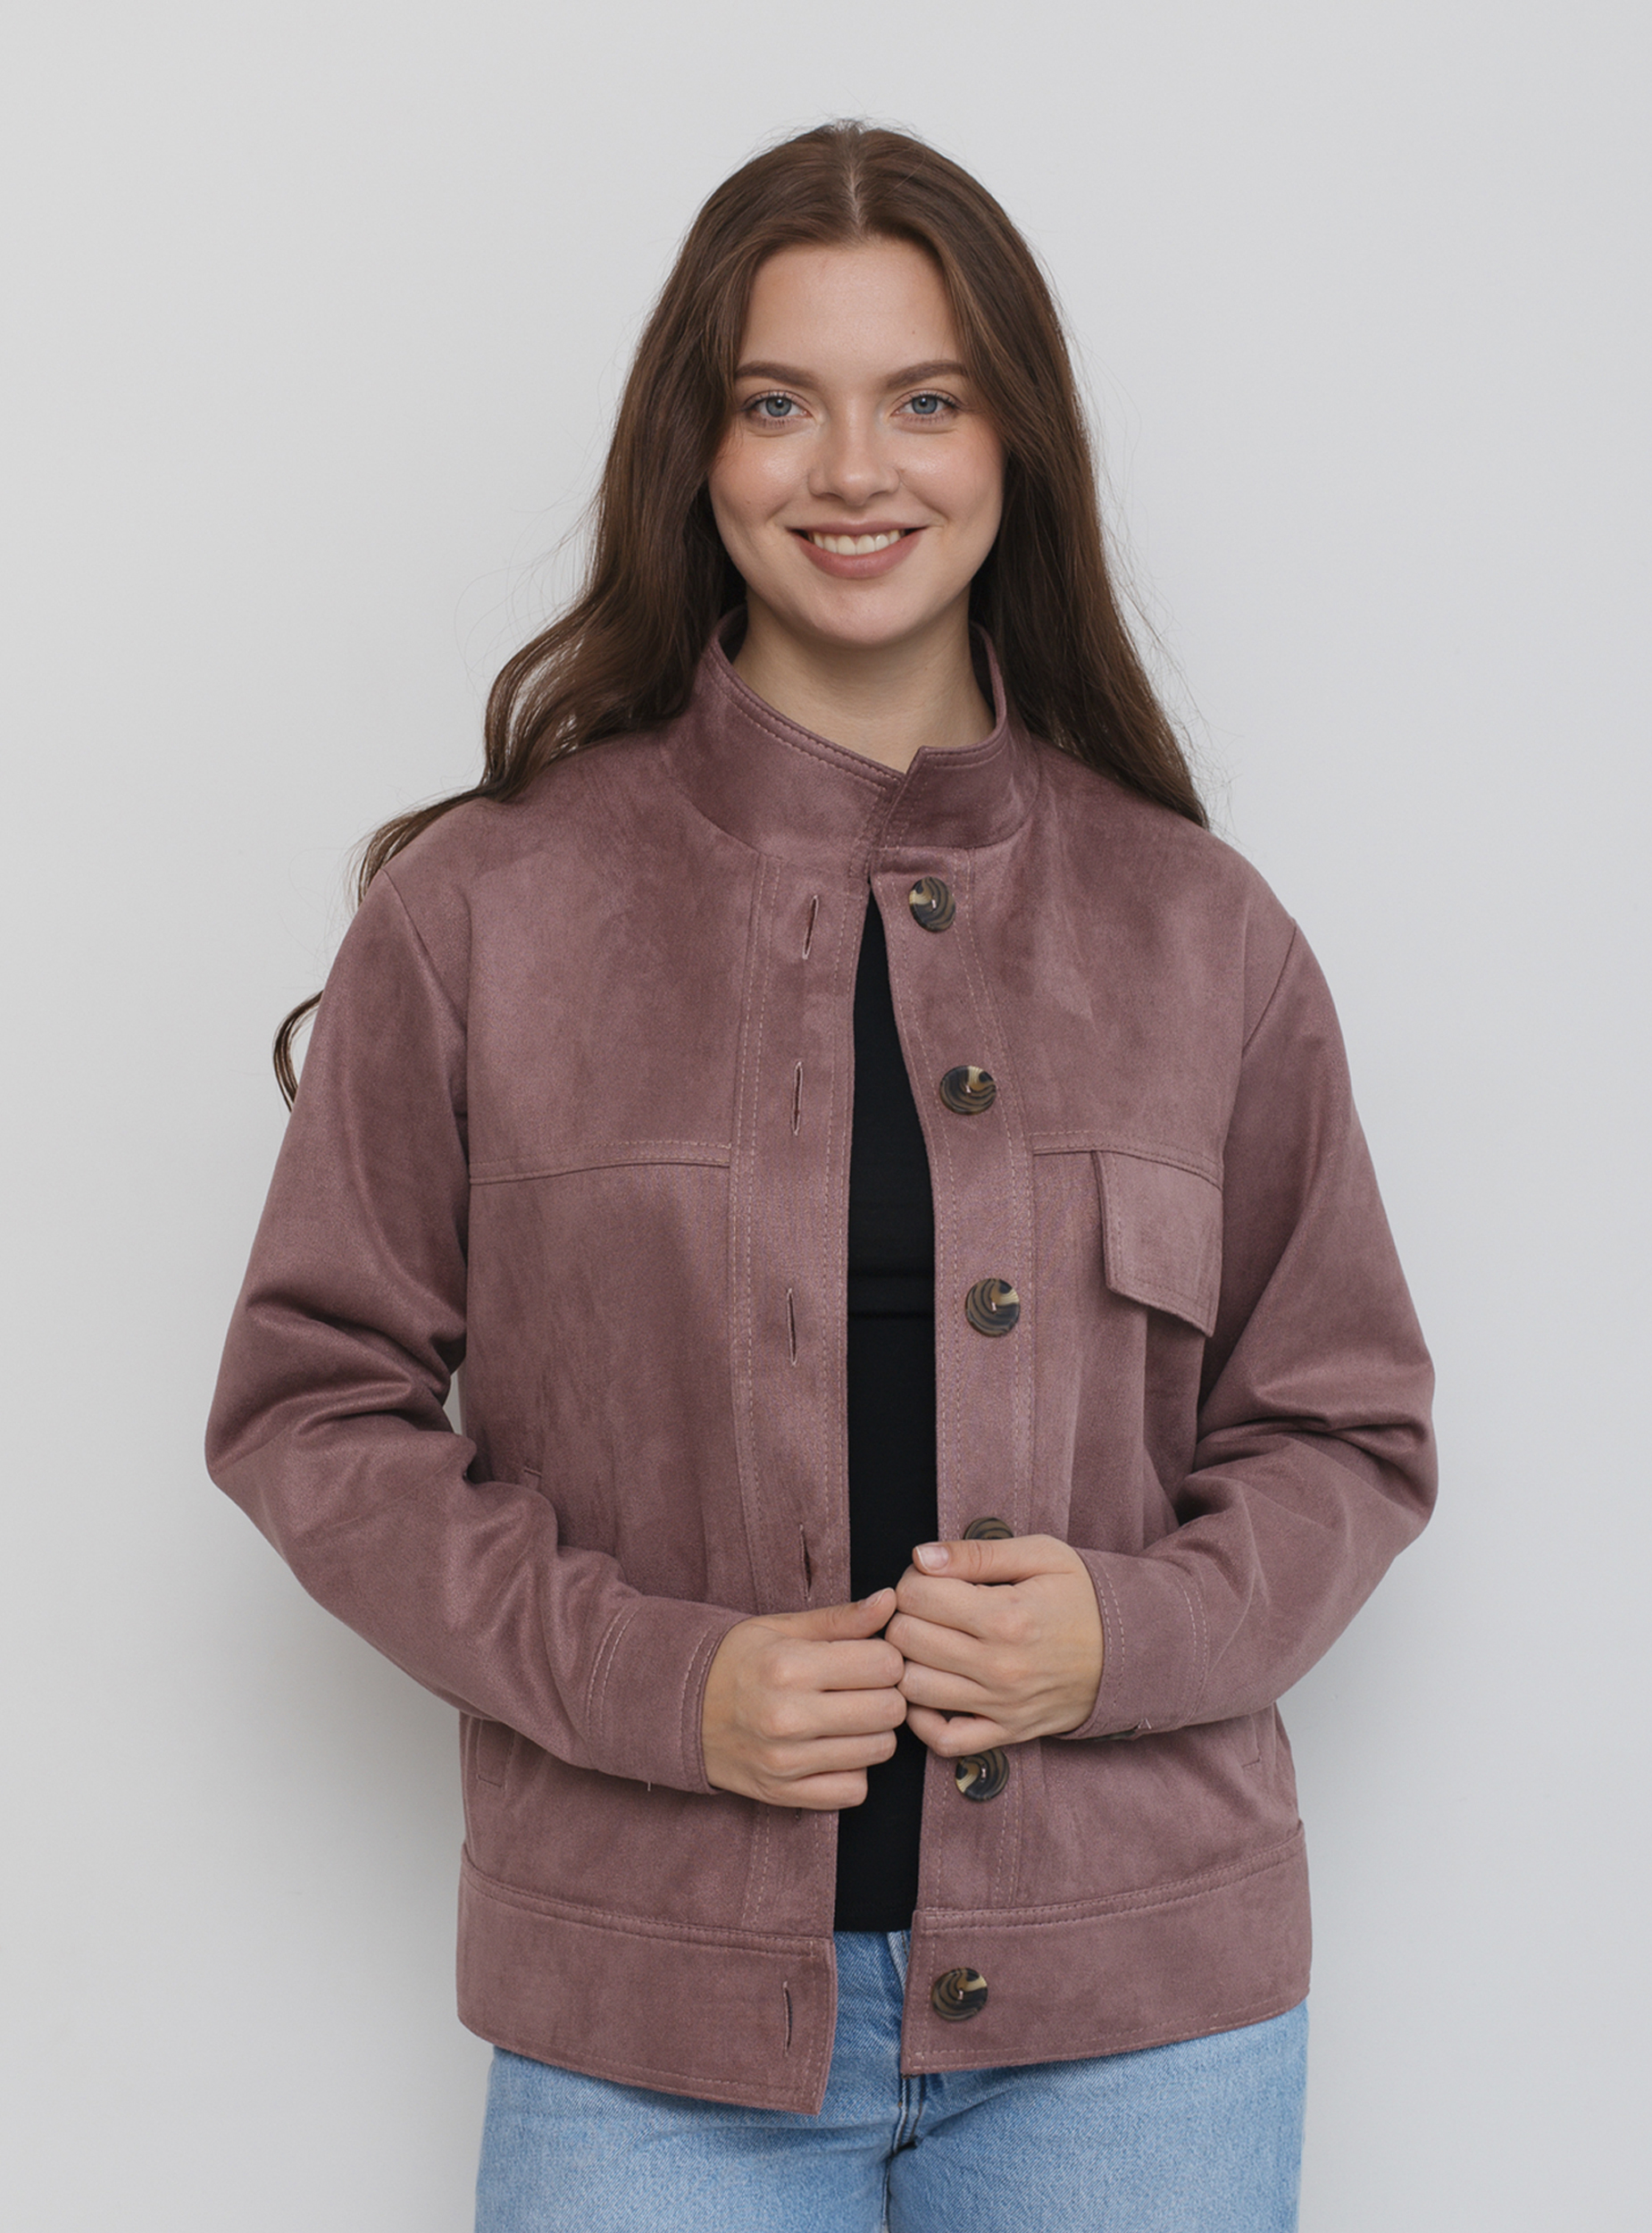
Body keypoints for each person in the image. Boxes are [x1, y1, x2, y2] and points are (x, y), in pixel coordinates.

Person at [206, 121, 1436, 2232]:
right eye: (780, 401)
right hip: (645, 2025)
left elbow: (1347, 1428)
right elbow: (308, 1412)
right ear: (694, 448)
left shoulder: (1199, 930)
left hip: (1141, 2016)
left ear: (1013, 440)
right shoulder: (486, 911)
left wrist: (1120, 1634)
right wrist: (658, 1679)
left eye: (924, 399)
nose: (852, 469)